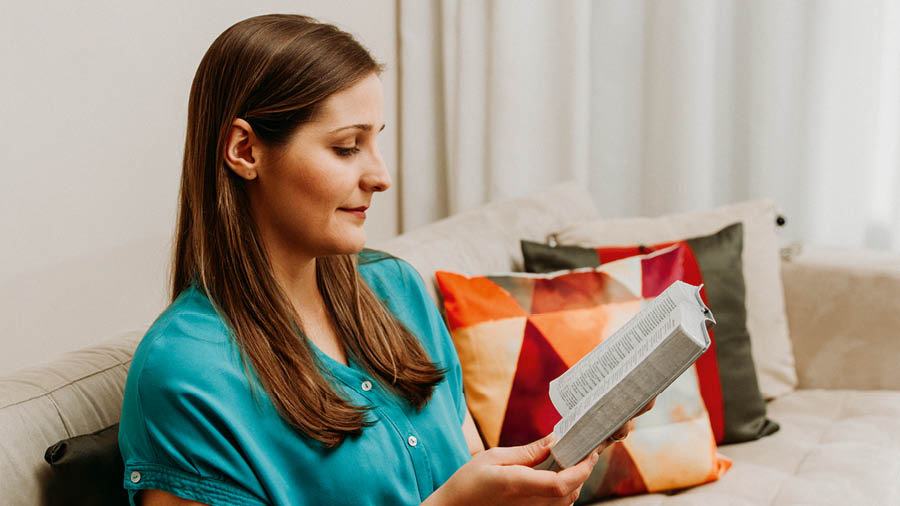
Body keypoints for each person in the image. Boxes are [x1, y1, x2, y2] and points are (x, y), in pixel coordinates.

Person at [118, 14, 652, 506]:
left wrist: (553, 462)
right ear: (245, 151)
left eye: (376, 143)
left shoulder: (396, 288)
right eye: (347, 147)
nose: (381, 176)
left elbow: (468, 467)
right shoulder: (184, 374)